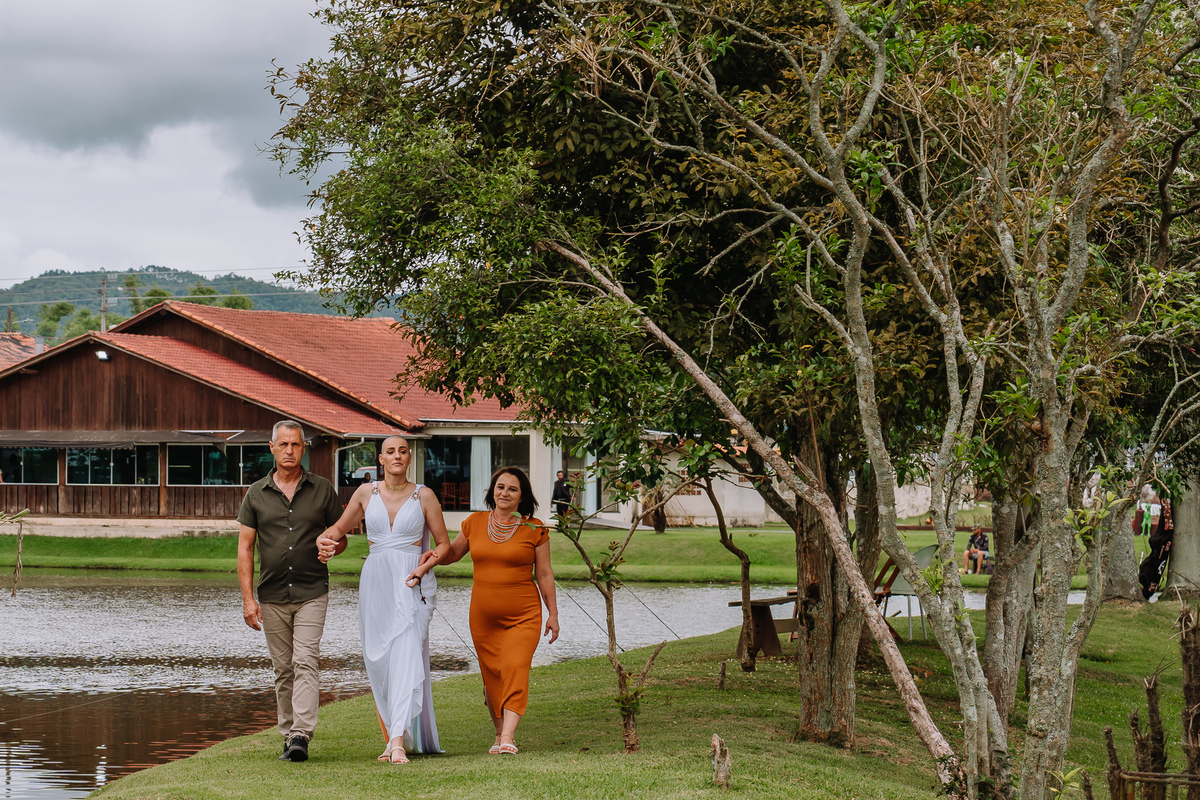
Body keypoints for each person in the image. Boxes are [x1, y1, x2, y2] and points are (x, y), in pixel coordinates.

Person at [316, 436, 451, 764]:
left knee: (406, 652)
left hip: (411, 579)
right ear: (380, 458)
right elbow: (337, 529)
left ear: (409, 458)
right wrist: (324, 541)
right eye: (390, 451)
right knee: (380, 659)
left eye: (403, 451)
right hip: (375, 581)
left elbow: (444, 544)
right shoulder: (365, 493)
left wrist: (426, 564)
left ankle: (398, 742)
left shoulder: (425, 495)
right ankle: (392, 733)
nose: (397, 456)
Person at [433, 466, 559, 755]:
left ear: (522, 496)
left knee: (515, 667)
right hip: (483, 616)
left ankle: (508, 738)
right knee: (491, 674)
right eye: (500, 487)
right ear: (492, 491)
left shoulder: (535, 528)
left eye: (512, 489)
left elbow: (545, 574)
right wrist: (430, 556)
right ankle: (499, 733)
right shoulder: (475, 523)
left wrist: (552, 614)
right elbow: (451, 554)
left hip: (524, 615)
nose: (504, 493)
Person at [237, 420, 342, 763]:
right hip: (272, 594)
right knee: (283, 669)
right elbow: (245, 549)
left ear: (304, 448)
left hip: (313, 590)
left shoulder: (323, 489)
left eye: (295, 445)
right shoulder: (255, 493)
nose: (289, 451)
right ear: (272, 447)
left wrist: (334, 548)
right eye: (283, 445)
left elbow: (341, 537)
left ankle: (301, 734)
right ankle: (288, 735)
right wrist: (248, 599)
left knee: (305, 660)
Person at [1136, 485, 1174, 599]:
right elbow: (1149, 565)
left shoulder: (1151, 580)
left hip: (1161, 545)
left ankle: (1166, 496)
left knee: (1165, 523)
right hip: (1161, 544)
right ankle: (1167, 497)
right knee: (1165, 523)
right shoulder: (1147, 579)